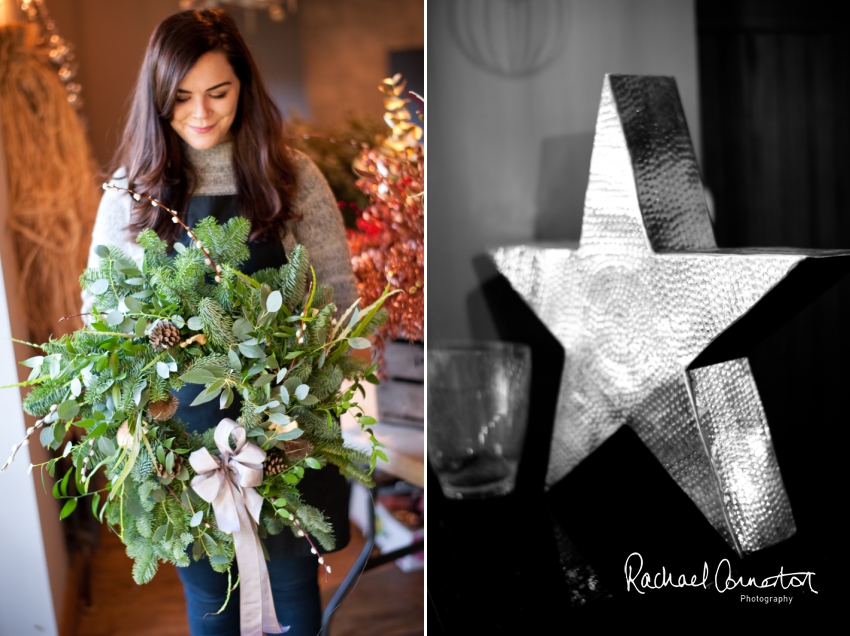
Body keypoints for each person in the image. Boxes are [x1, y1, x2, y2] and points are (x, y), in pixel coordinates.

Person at [83, 9, 357, 635]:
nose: (201, 113)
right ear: (157, 98)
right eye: (180, 98)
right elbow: (103, 316)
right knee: (211, 610)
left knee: (294, 602)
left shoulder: (291, 178)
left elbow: (339, 299)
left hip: (288, 439)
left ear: (245, 88)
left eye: (218, 93)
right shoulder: (133, 191)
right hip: (182, 448)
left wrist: (320, 376)